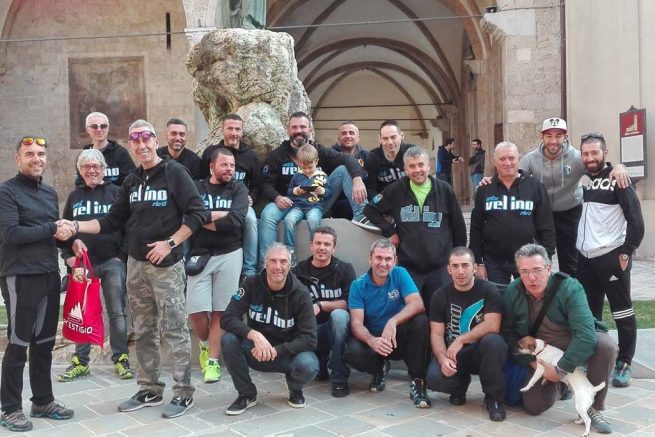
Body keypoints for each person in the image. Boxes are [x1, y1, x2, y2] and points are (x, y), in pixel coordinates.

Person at [68, 119, 211, 419]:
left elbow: (198, 213)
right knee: (144, 330)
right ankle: (150, 388)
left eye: (147, 139)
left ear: (155, 141)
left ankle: (183, 392)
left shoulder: (174, 172)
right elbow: (111, 221)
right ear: (131, 145)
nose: (142, 145)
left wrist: (170, 243)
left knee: (173, 329)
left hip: (166, 266)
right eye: (135, 140)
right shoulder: (132, 181)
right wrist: (75, 226)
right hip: (136, 266)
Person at [0, 136, 74, 432]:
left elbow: (50, 235)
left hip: (48, 274)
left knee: (44, 343)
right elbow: (11, 233)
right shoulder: (6, 191)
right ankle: (10, 408)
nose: (36, 158)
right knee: (19, 343)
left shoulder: (49, 192)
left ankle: (43, 401)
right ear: (18, 159)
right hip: (20, 276)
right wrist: (53, 228)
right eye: (29, 153)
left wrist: (71, 243)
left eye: (41, 153)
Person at [502, 243, 617, 434]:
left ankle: (594, 408)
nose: (531, 278)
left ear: (548, 269)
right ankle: (564, 387)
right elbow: (508, 332)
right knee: (534, 406)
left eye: (537, 270)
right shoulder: (513, 291)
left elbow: (585, 335)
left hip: (572, 342)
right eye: (524, 272)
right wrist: (531, 362)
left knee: (606, 346)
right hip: (543, 352)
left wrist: (560, 370)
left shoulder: (570, 287)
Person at [519, 117, 630, 276]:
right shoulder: (530, 159)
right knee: (540, 258)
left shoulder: (577, 157)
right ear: (541, 136)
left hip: (570, 212)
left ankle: (570, 290)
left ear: (565, 136)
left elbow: (600, 171)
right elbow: (513, 178)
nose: (553, 141)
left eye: (558, 136)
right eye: (549, 136)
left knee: (570, 262)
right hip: (542, 215)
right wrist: (491, 181)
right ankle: (542, 289)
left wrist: (619, 167)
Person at [58, 149, 133, 383]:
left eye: (96, 166)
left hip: (112, 262)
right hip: (84, 264)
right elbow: (66, 230)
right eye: (86, 167)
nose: (91, 170)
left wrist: (122, 256)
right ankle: (81, 362)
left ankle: (120, 358)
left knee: (116, 312)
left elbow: (129, 227)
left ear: (103, 169)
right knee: (82, 313)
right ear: (80, 171)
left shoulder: (116, 193)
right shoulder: (74, 196)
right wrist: (67, 256)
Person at [576, 132, 644, 387]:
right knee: (589, 312)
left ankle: (624, 363)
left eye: (595, 152)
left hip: (611, 257)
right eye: (586, 154)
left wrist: (627, 251)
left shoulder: (618, 179)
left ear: (605, 153)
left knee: (622, 310)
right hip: (585, 258)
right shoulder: (583, 181)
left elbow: (636, 220)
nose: (590, 158)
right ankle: (595, 356)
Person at [363, 146, 467, 312]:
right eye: (412, 166)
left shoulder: (444, 189)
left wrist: (458, 260)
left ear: (429, 166)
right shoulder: (396, 189)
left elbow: (458, 227)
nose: (417, 170)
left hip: (440, 267)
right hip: (409, 268)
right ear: (405, 169)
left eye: (421, 165)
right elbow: (370, 210)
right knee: (412, 316)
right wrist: (390, 231)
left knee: (440, 314)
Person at [259, 111, 370, 263]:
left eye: (303, 127)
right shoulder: (277, 155)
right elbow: (265, 184)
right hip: (290, 204)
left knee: (343, 170)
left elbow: (348, 159)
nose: (299, 131)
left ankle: (361, 214)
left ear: (310, 129)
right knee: (267, 214)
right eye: (294, 127)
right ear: (288, 130)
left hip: (318, 204)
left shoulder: (319, 151)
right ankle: (266, 264)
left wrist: (357, 179)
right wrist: (277, 198)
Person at [220, 243, 318, 415]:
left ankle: (295, 387)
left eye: (283, 261)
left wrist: (276, 350)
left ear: (290, 265)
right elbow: (227, 318)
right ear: (265, 263)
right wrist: (253, 334)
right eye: (273, 261)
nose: (277, 266)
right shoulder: (251, 284)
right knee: (228, 339)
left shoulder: (301, 294)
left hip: (286, 354)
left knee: (309, 364)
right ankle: (246, 394)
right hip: (255, 351)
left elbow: (310, 339)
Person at [345, 239, 431, 408]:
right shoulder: (358, 285)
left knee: (420, 320)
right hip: (374, 341)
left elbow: (417, 303)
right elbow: (356, 323)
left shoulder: (400, 274)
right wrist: (371, 340)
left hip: (397, 338)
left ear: (395, 260)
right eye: (378, 258)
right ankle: (380, 368)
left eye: (388, 259)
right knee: (352, 350)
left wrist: (393, 321)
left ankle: (418, 381)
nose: (383, 263)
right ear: (370, 258)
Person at [188, 148, 248, 383]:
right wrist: (220, 214)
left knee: (221, 310)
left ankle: (213, 362)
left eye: (232, 166)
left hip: (230, 252)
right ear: (212, 167)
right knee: (195, 310)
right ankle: (204, 343)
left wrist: (203, 219)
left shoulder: (239, 189)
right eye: (224, 165)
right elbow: (189, 215)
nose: (229, 169)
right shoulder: (197, 187)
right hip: (199, 254)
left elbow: (236, 221)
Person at [426, 247, 507, 421]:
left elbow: (493, 325)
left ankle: (494, 399)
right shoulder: (440, 295)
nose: (460, 271)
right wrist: (443, 359)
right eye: (455, 266)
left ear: (475, 268)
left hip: (481, 352)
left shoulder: (488, 290)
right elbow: (437, 334)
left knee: (494, 342)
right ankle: (459, 387)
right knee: (434, 377)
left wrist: (461, 339)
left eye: (465, 265)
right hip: (455, 355)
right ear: (449, 269)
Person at [470, 141, 556, 285]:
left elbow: (546, 225)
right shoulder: (485, 189)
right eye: (502, 159)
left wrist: (547, 257)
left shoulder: (535, 187)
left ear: (519, 159)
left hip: (528, 259)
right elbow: (476, 227)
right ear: (495, 162)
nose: (507, 163)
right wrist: (478, 261)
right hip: (494, 261)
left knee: (529, 297)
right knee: (497, 297)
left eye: (511, 158)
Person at [293, 226, 355, 397]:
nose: (322, 248)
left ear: (334, 248)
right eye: (318, 243)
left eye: (327, 244)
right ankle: (319, 361)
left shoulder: (345, 269)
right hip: (309, 332)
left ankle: (339, 377)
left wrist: (320, 305)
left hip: (337, 331)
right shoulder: (298, 271)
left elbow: (349, 303)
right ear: (311, 245)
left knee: (339, 316)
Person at [200, 114, 261, 279]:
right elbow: (201, 179)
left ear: (242, 132)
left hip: (240, 202)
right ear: (222, 130)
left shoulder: (251, 156)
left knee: (250, 220)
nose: (234, 133)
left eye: (237, 129)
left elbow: (257, 184)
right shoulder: (211, 152)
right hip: (213, 199)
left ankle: (249, 270)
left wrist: (252, 197)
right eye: (230, 129)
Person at [285, 144, 331, 262]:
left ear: (316, 161)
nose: (307, 170)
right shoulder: (297, 176)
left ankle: (315, 247)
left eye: (310, 167)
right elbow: (289, 191)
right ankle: (290, 249)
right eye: (303, 167)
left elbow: (329, 193)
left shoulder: (322, 176)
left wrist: (322, 191)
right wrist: (296, 190)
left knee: (313, 220)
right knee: (288, 219)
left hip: (315, 206)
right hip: (298, 206)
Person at [362, 120, 412, 214]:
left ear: (401, 135)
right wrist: (380, 204)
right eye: (385, 138)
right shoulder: (372, 157)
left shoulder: (412, 152)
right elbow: (371, 188)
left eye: (393, 137)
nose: (390, 142)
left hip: (410, 201)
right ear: (379, 139)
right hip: (384, 202)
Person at [81, 112, 136, 185]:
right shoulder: (83, 156)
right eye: (94, 126)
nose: (99, 129)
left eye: (103, 126)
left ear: (108, 128)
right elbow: (80, 184)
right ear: (87, 130)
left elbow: (130, 183)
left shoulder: (121, 153)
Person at [330, 121, 368, 219]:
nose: (348, 136)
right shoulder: (329, 155)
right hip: (334, 202)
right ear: (338, 138)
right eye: (344, 133)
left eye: (351, 133)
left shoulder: (367, 156)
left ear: (358, 137)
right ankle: (362, 216)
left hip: (361, 199)